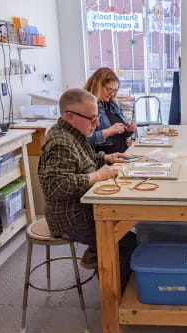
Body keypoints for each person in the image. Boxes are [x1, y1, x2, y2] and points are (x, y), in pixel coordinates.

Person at [38, 89, 136, 289]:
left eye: (97, 118)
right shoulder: (60, 142)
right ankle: (115, 297)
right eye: (92, 119)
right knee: (124, 241)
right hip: (69, 217)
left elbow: (84, 159)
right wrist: (98, 176)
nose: (97, 124)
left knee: (125, 228)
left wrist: (107, 158)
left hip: (83, 206)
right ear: (69, 116)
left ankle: (98, 254)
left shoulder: (74, 133)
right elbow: (56, 187)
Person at [84, 67, 136, 153]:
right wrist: (108, 132)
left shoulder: (113, 105)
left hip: (121, 155)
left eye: (115, 90)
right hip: (103, 160)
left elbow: (120, 134)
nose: (112, 94)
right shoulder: (87, 106)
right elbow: (83, 140)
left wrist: (128, 129)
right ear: (97, 85)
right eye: (109, 89)